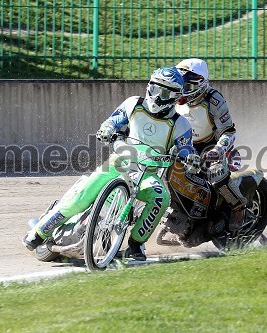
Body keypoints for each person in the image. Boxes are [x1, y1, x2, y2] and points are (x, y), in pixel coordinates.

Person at [22, 66, 199, 261]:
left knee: (161, 198)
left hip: (148, 174)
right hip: (118, 162)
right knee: (82, 196)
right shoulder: (133, 104)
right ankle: (39, 233)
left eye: (164, 92)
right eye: (155, 89)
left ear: (175, 97)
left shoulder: (181, 124)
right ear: (149, 86)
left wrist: (190, 157)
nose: (157, 96)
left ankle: (136, 245)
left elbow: (186, 148)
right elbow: (113, 121)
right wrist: (106, 129)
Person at [175, 58, 246, 230]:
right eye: (180, 85)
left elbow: (228, 131)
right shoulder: (170, 97)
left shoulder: (214, 100)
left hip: (210, 146)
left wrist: (218, 149)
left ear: (202, 83)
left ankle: (238, 206)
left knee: (215, 173)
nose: (183, 91)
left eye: (188, 87)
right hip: (183, 145)